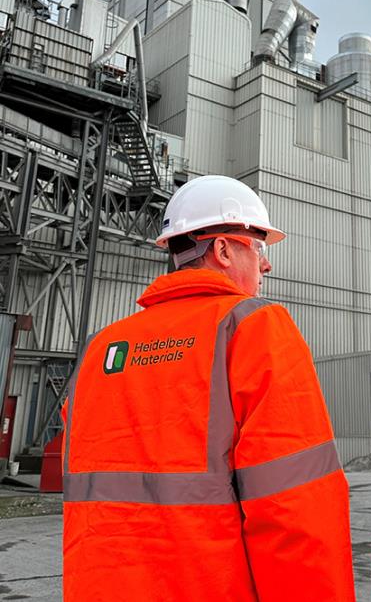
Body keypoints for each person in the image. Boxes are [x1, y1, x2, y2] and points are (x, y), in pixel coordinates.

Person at [62, 175, 355, 601]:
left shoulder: (102, 348)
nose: (266, 265)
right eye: (260, 249)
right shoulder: (252, 326)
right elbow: (296, 509)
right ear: (222, 249)